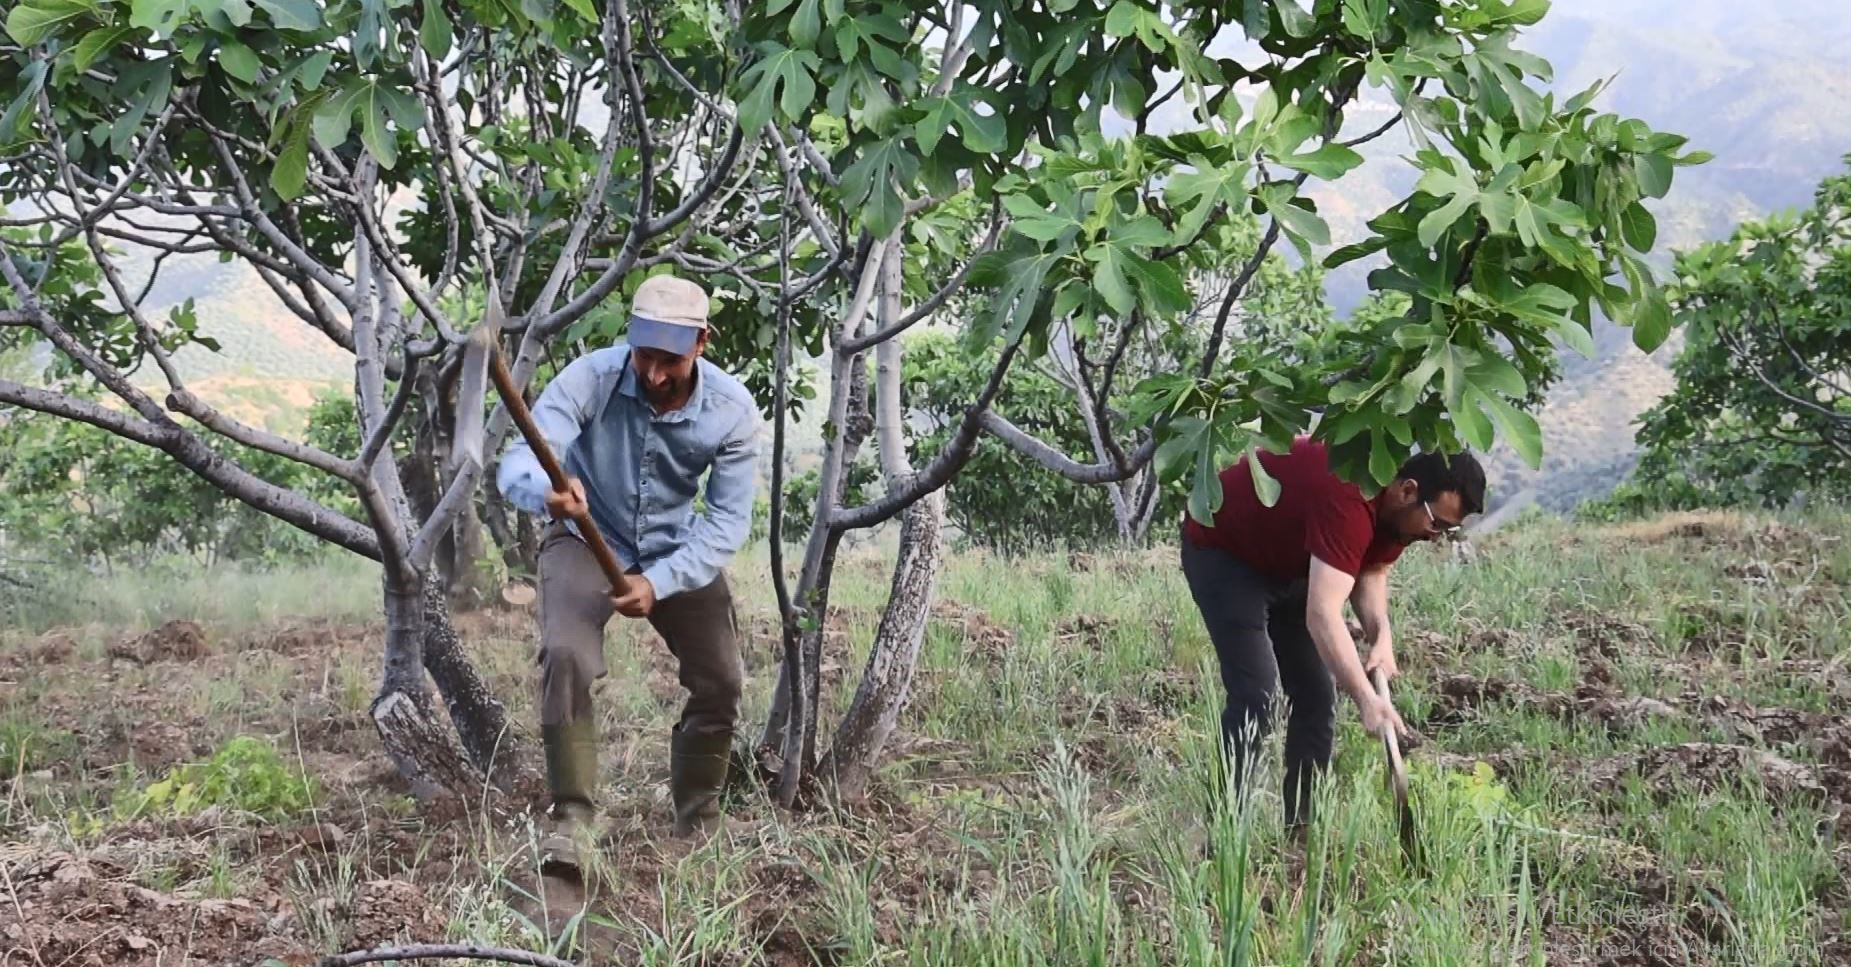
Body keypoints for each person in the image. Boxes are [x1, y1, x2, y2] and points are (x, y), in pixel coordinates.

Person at [496, 274, 761, 873]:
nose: (654, 374)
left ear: (702, 344)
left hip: (675, 548)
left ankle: (699, 817)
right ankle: (572, 821)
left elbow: (724, 524)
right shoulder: (590, 378)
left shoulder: (732, 411)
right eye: (645, 355)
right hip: (586, 538)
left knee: (721, 678)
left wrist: (659, 582)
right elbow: (518, 461)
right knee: (566, 655)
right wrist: (548, 492)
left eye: (670, 359)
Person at [1179, 436, 1484, 831]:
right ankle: (1222, 833)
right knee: (1256, 694)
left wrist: (1381, 636)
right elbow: (1323, 615)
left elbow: (1372, 570)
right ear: (1407, 490)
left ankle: (1301, 830)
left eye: (1447, 530)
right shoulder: (1349, 494)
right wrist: (1367, 701)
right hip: (1225, 552)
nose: (1435, 536)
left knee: (1317, 698)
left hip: (1293, 562)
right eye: (1437, 524)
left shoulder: (1401, 514)